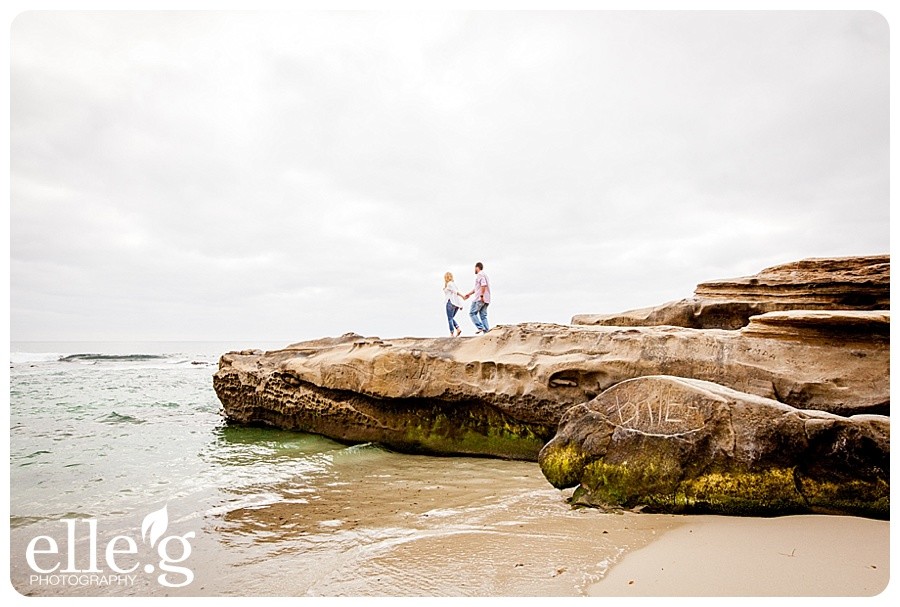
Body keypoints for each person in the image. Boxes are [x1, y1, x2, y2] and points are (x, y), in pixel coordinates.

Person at [463, 261, 491, 334]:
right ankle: (487, 332)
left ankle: (480, 327)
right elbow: (477, 288)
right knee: (483, 316)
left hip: (480, 298)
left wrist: (481, 296)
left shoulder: (480, 274)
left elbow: (483, 285)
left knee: (472, 313)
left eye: (475, 268)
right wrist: (469, 294)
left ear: (477, 267)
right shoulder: (485, 275)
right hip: (487, 299)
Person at [443, 272, 464, 336]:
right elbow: (455, 294)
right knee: (451, 318)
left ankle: (452, 333)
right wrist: (460, 304)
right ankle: (458, 329)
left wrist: (463, 296)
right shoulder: (453, 284)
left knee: (449, 318)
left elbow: (456, 292)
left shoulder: (449, 284)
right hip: (455, 304)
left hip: (450, 303)